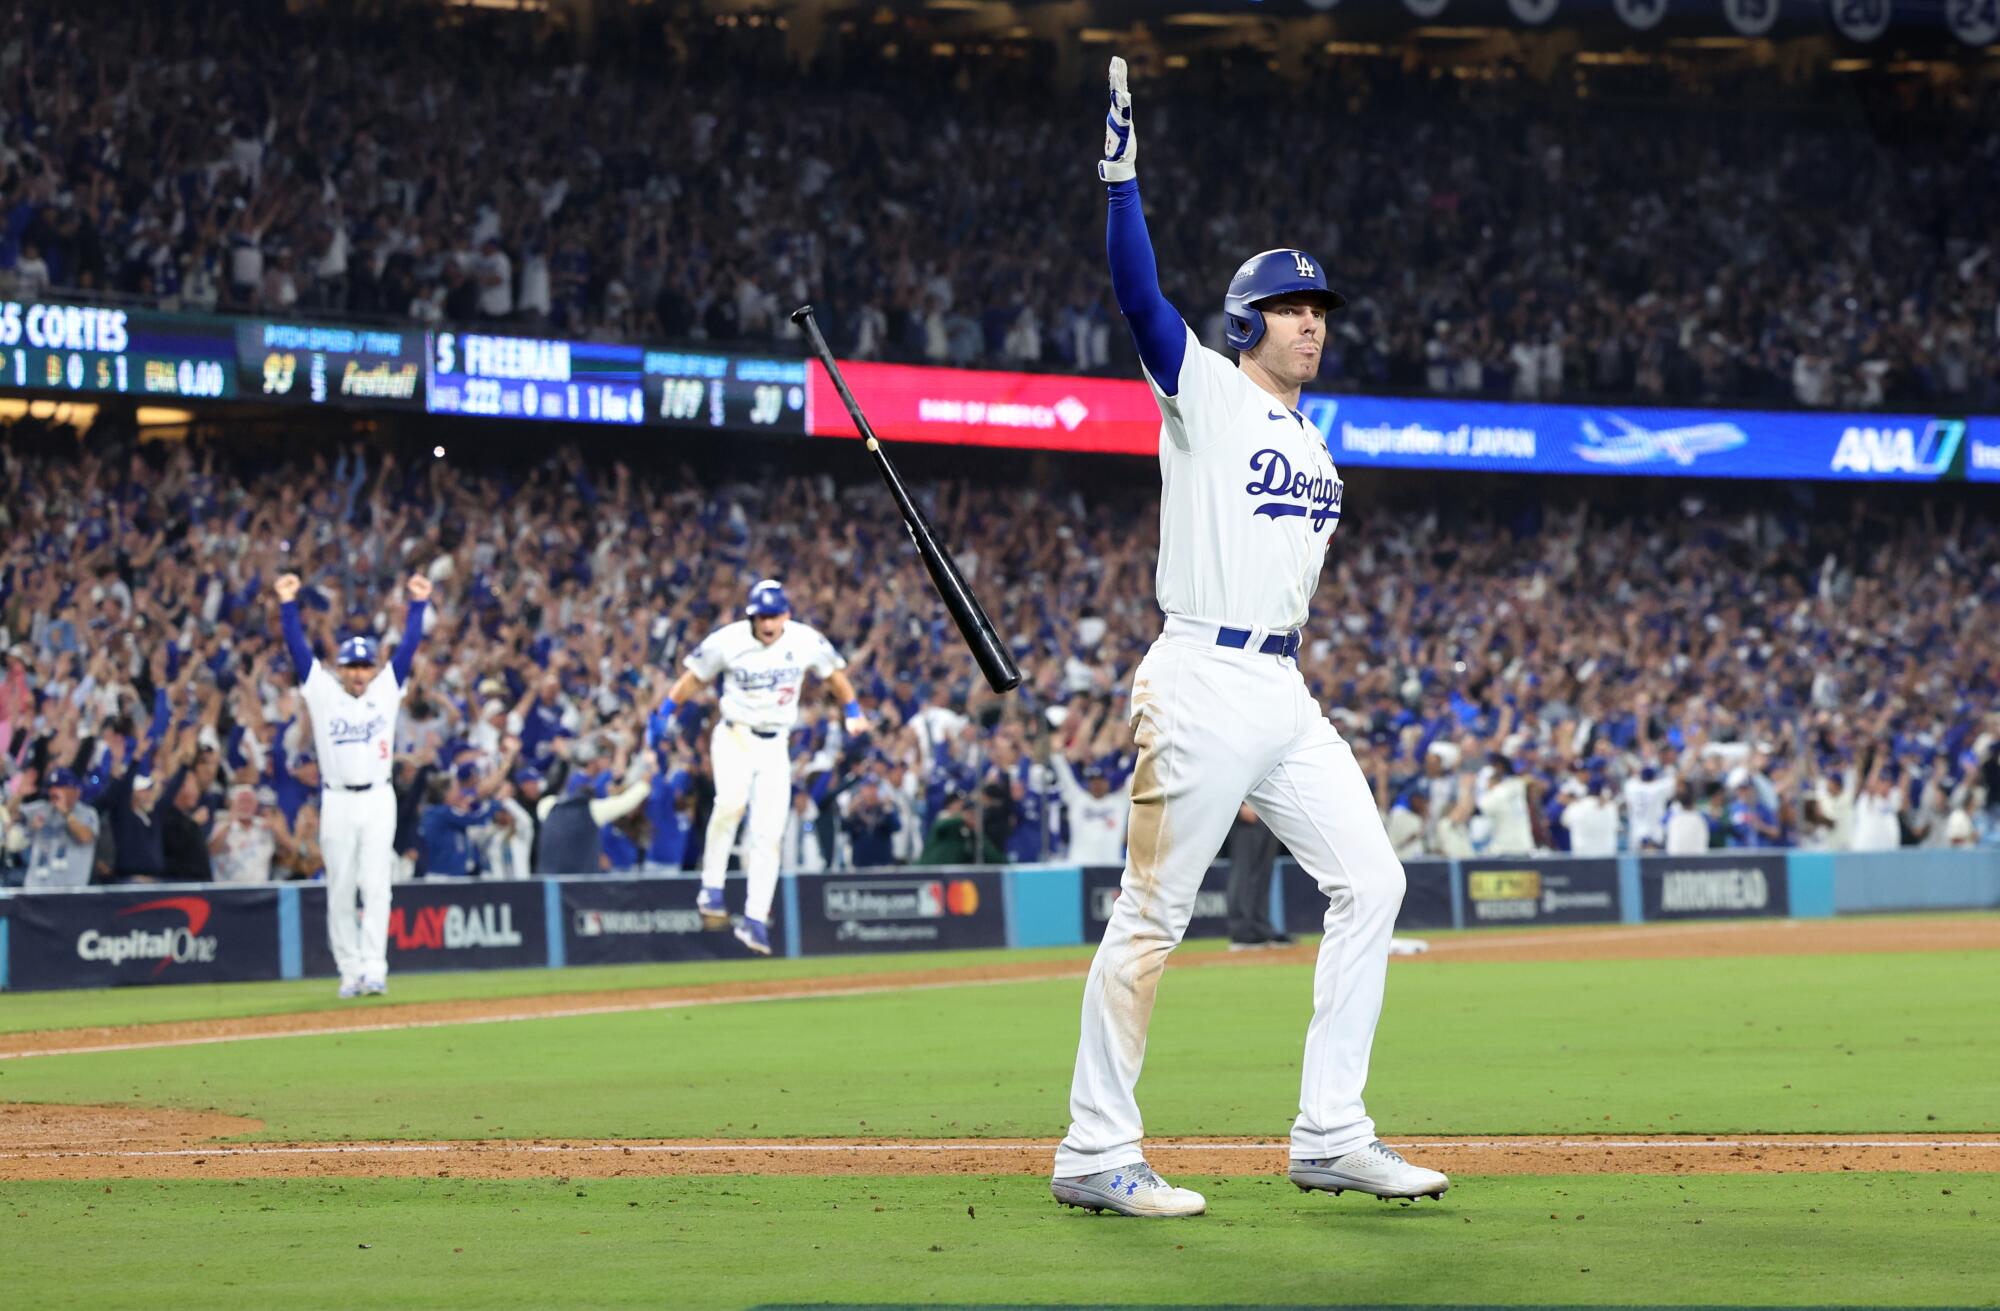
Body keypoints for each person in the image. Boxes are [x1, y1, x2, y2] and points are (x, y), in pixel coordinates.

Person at [1050, 58, 1445, 1221]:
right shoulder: (1208, 392)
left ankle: (1330, 1133)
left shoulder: (1318, 450)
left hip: (1281, 688)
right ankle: (1092, 1150)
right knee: (1152, 916)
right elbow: (1136, 301)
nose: (1312, 323)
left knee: (1371, 879)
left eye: (1319, 310)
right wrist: (1120, 181)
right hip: (1200, 671)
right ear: (1244, 323)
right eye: (1292, 308)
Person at [648, 578, 866, 956]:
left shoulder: (804, 641)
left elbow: (835, 675)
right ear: (752, 615)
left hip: (775, 744)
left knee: (769, 833)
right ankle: (711, 888)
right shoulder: (727, 641)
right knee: (730, 803)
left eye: (774, 615)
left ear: (786, 614)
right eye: (761, 616)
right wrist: (666, 709)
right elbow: (693, 679)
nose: (767, 623)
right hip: (735, 735)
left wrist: (852, 709)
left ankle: (754, 918)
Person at [277, 570, 431, 998]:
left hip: (379, 796)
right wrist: (288, 605)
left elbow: (409, 646)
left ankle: (375, 967)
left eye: (365, 665)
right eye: (353, 666)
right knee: (340, 886)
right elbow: (297, 648)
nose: (360, 673)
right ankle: (349, 971)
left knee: (377, 884)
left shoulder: (386, 688)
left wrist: (418, 605)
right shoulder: (324, 692)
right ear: (341, 669)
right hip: (338, 800)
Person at [15, 768, 98, 889]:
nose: (54, 791)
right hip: (35, 890)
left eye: (60, 787)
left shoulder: (87, 813)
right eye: (52, 787)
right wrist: (19, 795)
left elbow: (85, 837)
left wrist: (66, 812)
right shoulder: (42, 809)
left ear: (75, 790)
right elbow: (9, 817)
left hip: (69, 892)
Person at [1224, 802, 1291, 950]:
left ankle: (1261, 930)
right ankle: (1242, 933)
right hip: (1247, 808)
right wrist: (1239, 806)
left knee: (1263, 875)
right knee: (1244, 873)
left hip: (1269, 811)